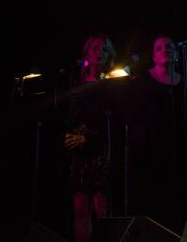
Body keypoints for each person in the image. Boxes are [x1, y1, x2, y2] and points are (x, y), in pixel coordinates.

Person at [125, 36, 186, 233]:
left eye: (169, 46)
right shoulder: (141, 82)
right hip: (148, 153)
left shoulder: (184, 82)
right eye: (159, 48)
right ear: (153, 56)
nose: (165, 50)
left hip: (176, 153)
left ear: (177, 53)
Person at [65, 33, 116, 242]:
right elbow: (67, 114)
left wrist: (91, 138)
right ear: (87, 52)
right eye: (96, 48)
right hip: (79, 149)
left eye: (105, 49)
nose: (100, 52)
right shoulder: (74, 81)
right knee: (80, 209)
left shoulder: (113, 80)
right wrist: (70, 135)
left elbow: (114, 118)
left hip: (101, 148)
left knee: (102, 208)